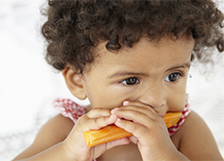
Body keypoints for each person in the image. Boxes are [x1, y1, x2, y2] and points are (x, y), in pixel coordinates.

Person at [13, 0, 224, 160]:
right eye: (131, 80)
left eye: (173, 76)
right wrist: (67, 152)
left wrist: (166, 155)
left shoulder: (184, 129)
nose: (156, 100)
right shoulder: (67, 129)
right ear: (77, 80)